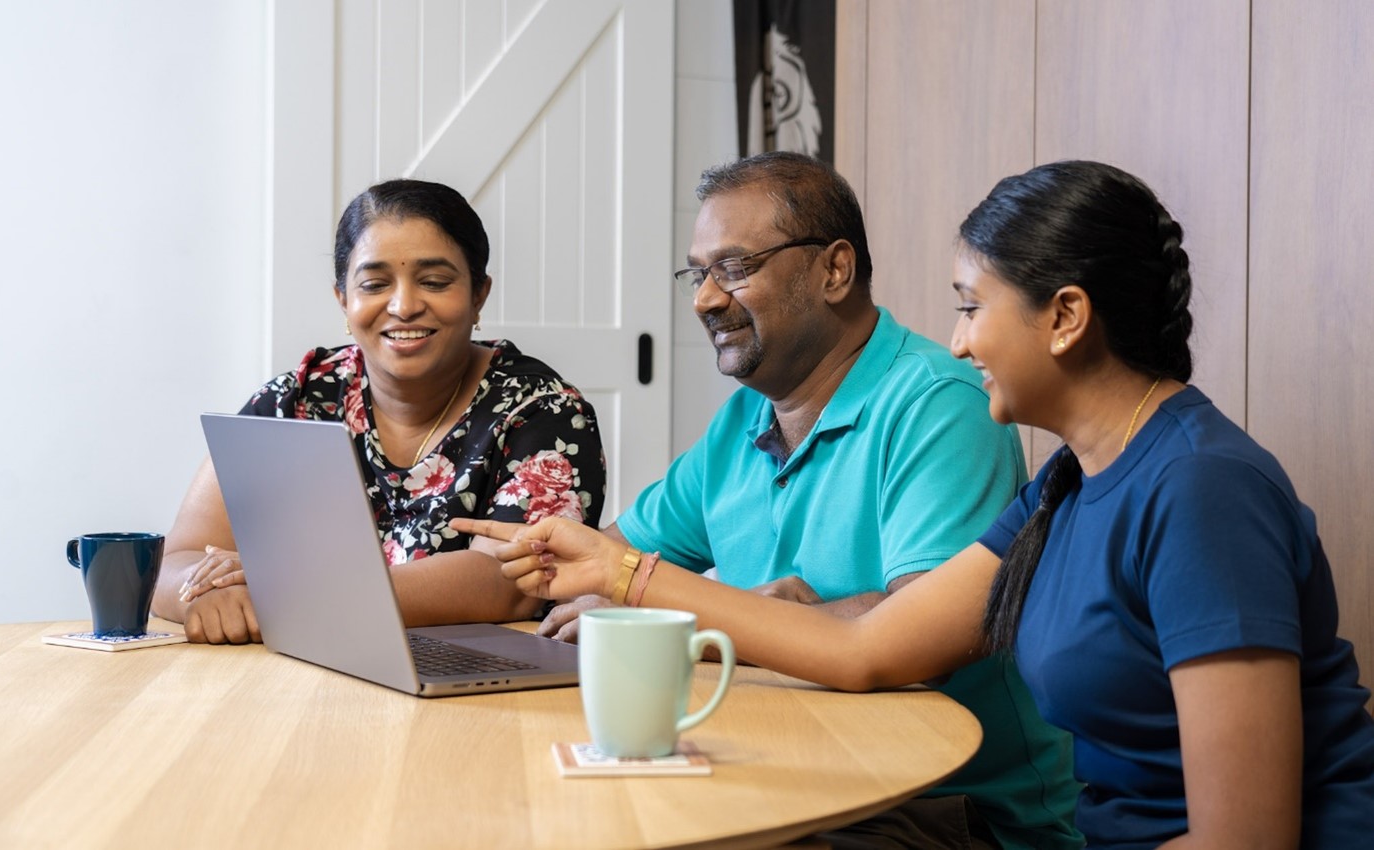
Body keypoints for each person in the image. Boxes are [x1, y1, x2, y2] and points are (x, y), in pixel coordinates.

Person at [456, 159, 1374, 849]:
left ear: (1063, 317)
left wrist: (626, 574)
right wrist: (621, 570)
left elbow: (1243, 840)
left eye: (970, 307)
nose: (955, 340)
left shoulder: (1201, 491)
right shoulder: (1064, 486)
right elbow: (864, 650)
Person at [537, 152, 1082, 850]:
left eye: (734, 268)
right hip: (792, 777)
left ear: (833, 270)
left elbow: (920, 634)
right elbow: (603, 559)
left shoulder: (938, 403)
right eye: (697, 273)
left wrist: (687, 615)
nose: (705, 298)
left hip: (945, 809)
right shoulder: (740, 421)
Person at [151, 179, 607, 644]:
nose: (404, 305)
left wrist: (294, 591)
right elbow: (179, 557)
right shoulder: (295, 401)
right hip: (304, 674)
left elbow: (509, 580)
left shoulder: (542, 412)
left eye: (434, 281)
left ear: (478, 295)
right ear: (343, 300)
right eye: (374, 284)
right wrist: (207, 596)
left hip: (469, 684)